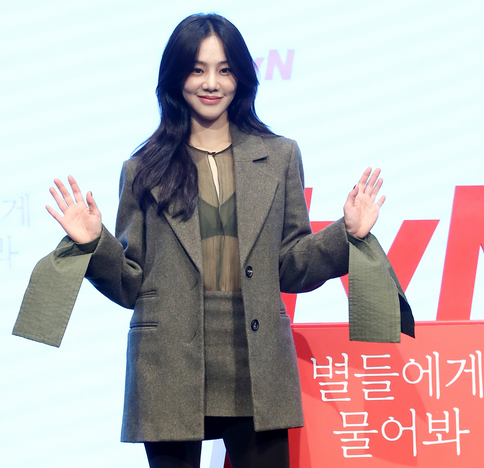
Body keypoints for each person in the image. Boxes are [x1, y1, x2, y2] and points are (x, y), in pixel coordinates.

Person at [14, 13, 413, 468]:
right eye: (197, 69)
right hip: (167, 363)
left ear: (240, 77)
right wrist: (94, 244)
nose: (211, 83)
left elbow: (291, 266)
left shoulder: (280, 155)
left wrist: (348, 234)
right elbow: (130, 284)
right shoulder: (143, 167)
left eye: (224, 70)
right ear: (176, 77)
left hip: (256, 361)